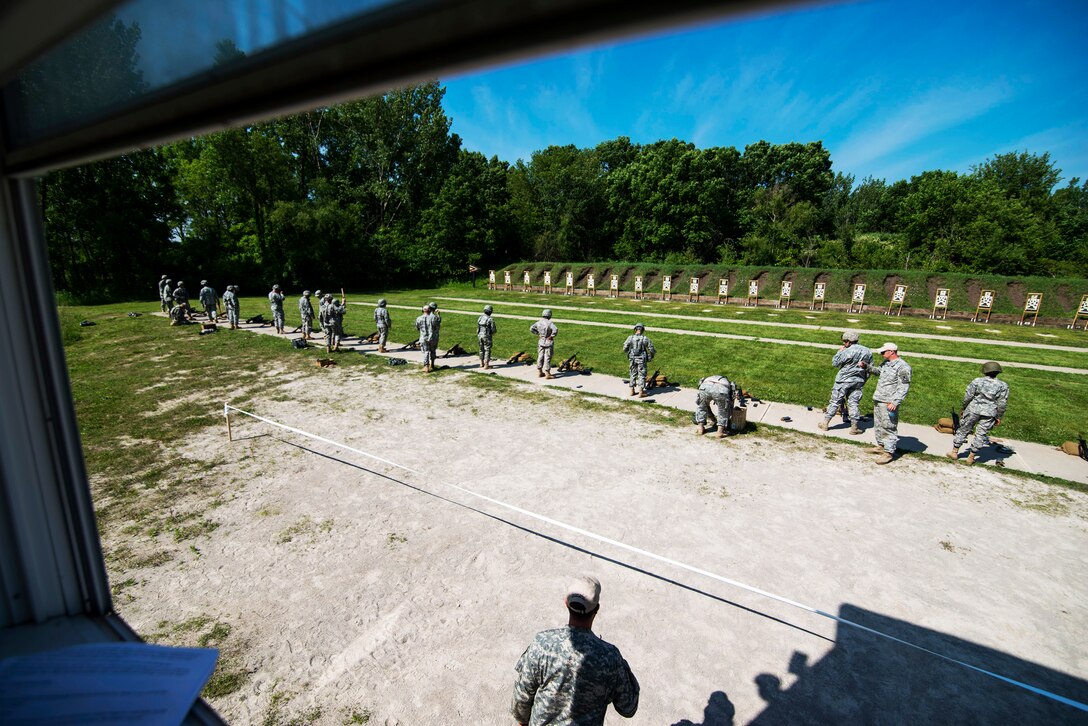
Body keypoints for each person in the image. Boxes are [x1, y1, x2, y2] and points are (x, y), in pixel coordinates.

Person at [511, 575, 639, 726]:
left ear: (566, 603)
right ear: (596, 610)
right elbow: (628, 707)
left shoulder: (542, 644)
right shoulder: (610, 657)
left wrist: (522, 721)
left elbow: (522, 696)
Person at [948, 361, 1009, 464]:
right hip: (989, 413)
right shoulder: (1003, 386)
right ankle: (971, 457)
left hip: (973, 409)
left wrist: (964, 407)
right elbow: (1002, 403)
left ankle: (954, 452)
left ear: (985, 371)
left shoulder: (977, 381)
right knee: (981, 434)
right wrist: (999, 416)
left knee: (964, 429)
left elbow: (968, 396)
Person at [817, 330, 872, 434]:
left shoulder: (847, 351)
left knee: (835, 401)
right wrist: (863, 380)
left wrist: (840, 352)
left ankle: (825, 423)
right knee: (854, 403)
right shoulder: (867, 351)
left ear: (849, 341)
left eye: (844, 341)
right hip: (858, 380)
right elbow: (869, 368)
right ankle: (854, 427)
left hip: (843, 381)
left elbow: (835, 363)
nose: (843, 343)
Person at [869, 342, 912, 465]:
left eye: (884, 352)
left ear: (892, 352)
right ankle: (881, 446)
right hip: (879, 398)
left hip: (889, 402)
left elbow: (904, 386)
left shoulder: (903, 367)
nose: (882, 354)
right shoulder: (886, 364)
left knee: (888, 426)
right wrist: (866, 367)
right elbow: (878, 371)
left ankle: (888, 452)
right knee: (878, 424)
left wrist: (895, 401)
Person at [622, 323, 655, 397]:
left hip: (632, 359)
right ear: (642, 330)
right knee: (642, 375)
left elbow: (624, 348)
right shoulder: (645, 338)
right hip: (641, 359)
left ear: (635, 329)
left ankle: (632, 390)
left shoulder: (630, 338)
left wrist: (630, 352)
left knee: (632, 373)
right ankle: (641, 392)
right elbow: (651, 349)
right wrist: (651, 356)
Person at [530, 309, 558, 379]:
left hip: (541, 341)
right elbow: (555, 329)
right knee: (547, 357)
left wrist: (537, 333)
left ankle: (540, 372)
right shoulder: (550, 323)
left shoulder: (538, 322)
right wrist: (552, 336)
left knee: (540, 356)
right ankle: (547, 373)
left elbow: (531, 328)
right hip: (548, 342)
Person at [414, 304, 434, 372]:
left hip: (423, 337)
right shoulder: (433, 318)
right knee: (432, 350)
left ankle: (426, 366)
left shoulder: (419, 318)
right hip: (432, 337)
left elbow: (417, 327)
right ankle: (432, 364)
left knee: (426, 351)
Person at [476, 304, 496, 369]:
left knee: (481, 349)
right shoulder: (490, 319)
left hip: (479, 335)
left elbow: (478, 327)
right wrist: (492, 333)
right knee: (487, 350)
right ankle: (486, 364)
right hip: (487, 336)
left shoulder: (480, 317)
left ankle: (481, 363)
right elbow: (493, 329)